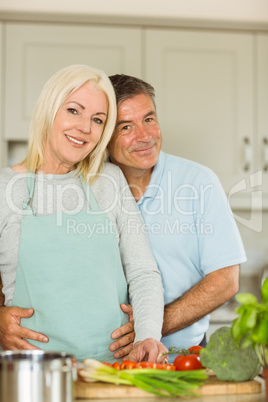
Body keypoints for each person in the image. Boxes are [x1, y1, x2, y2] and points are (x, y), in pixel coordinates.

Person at [0, 65, 168, 363]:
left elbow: (143, 272)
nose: (85, 128)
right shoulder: (6, 188)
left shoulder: (110, 181)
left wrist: (146, 335)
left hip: (112, 371)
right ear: (49, 110)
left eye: (98, 120)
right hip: (35, 374)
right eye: (74, 111)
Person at [107, 74, 247, 362]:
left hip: (182, 358)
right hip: (102, 360)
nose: (145, 136)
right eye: (126, 126)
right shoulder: (86, 187)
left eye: (149, 119)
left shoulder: (199, 182)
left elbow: (225, 280)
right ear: (103, 135)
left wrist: (148, 331)